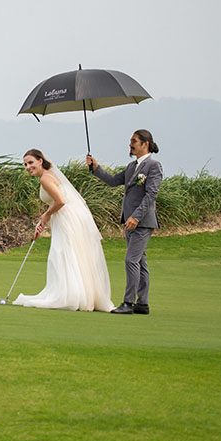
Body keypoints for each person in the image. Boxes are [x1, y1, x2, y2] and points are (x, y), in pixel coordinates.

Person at [12, 149, 114, 312]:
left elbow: (60, 201)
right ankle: (81, 295)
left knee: (63, 252)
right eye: (25, 164)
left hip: (67, 217)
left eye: (30, 162)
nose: (27, 167)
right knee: (72, 253)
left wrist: (45, 216)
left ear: (40, 160)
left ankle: (72, 296)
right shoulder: (49, 175)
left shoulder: (46, 178)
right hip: (69, 216)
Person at [86, 129, 162, 315]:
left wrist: (136, 216)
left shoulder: (153, 166)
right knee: (140, 262)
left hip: (141, 222)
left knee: (131, 260)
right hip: (129, 221)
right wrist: (95, 168)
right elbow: (112, 181)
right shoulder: (131, 167)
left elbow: (151, 194)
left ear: (145, 144)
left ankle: (128, 303)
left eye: (134, 141)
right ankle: (142, 304)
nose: (130, 144)